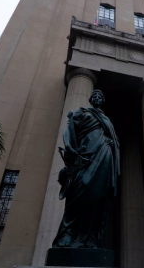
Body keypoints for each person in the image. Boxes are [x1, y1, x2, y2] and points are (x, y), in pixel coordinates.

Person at [52, 89, 120, 249]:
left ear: (103, 101)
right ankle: (67, 234)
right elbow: (69, 129)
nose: (97, 98)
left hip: (104, 156)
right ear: (90, 100)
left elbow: (114, 139)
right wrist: (69, 147)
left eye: (100, 96)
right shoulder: (82, 113)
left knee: (99, 198)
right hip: (85, 156)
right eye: (94, 96)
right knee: (78, 191)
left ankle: (90, 238)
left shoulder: (106, 119)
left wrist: (111, 143)